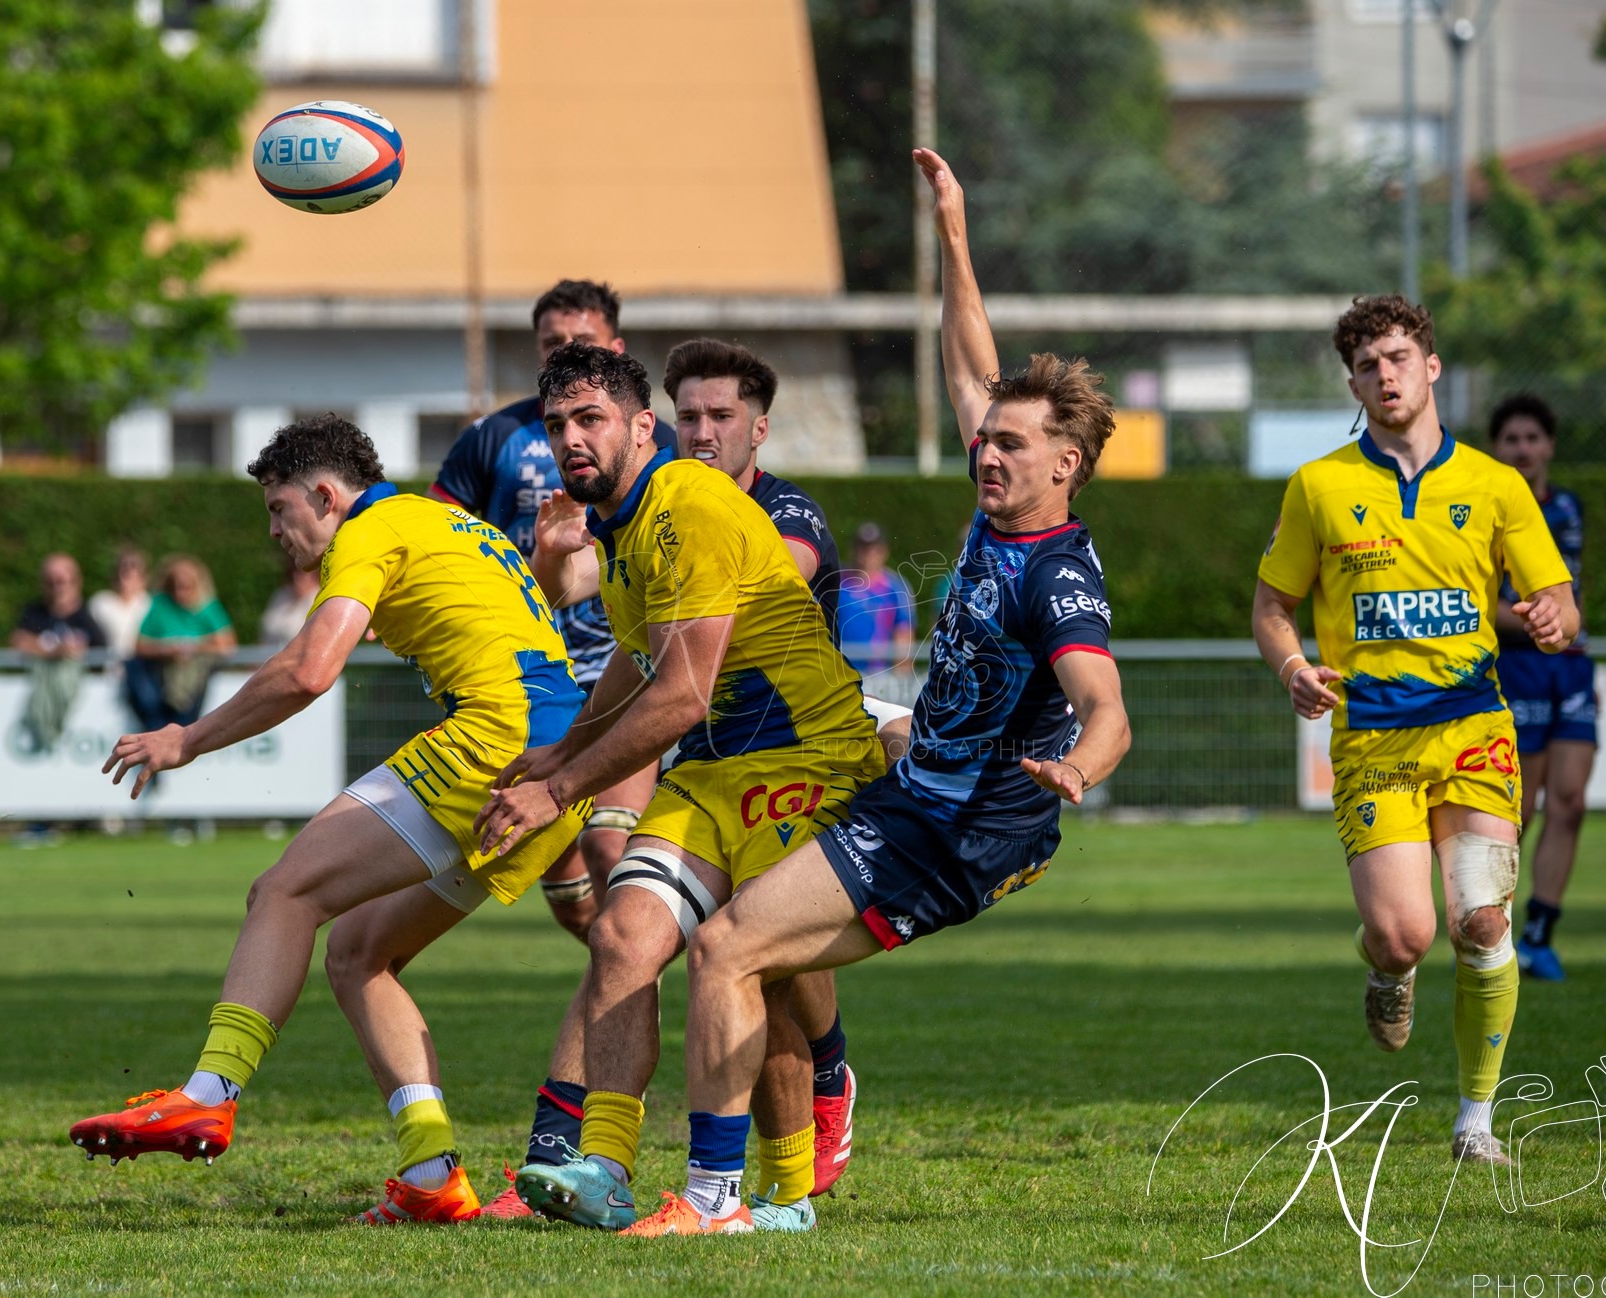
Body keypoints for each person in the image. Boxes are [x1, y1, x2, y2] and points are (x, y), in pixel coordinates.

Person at [619, 147, 1130, 1237]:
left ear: (1066, 465)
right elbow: (971, 361)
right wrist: (952, 235)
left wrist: (1080, 767)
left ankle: (720, 1195)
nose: (986, 453)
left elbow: (1107, 707)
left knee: (729, 946)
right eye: (986, 440)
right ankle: (781, 1180)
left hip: (959, 830)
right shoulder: (1001, 510)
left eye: (1010, 445)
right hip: (924, 784)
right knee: (748, 936)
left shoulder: (1054, 578)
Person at [66, 415, 591, 1227]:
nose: (275, 532)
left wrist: (187, 739)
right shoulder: (447, 522)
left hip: (497, 745)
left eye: (279, 510)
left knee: (284, 892)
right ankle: (431, 1175)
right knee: (357, 954)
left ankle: (207, 1094)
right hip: (559, 767)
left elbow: (310, 670)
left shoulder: (370, 530)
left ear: (324, 495)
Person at [470, 341, 885, 1233]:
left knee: (758, 969)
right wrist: (567, 747)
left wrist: (561, 788)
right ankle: (604, 1169)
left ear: (640, 428)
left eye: (591, 420)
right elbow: (636, 659)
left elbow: (682, 692)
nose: (571, 439)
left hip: (801, 759)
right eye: (557, 425)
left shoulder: (687, 504)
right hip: (712, 773)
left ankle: (780, 1193)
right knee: (622, 936)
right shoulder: (620, 527)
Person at [1251, 296, 1577, 1165]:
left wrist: (1554, 618)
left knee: (1482, 922)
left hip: (1474, 728)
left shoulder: (1495, 484)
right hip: (1374, 740)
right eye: (1368, 366)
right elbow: (1272, 606)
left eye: (1398, 358)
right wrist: (1293, 667)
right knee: (1407, 934)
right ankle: (1386, 968)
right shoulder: (1319, 486)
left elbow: (1559, 598)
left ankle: (1476, 1122)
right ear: (1354, 385)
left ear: (1431, 367)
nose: (1385, 375)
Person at [429, 279, 676, 951]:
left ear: (615, 349)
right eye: (550, 342)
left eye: (581, 340)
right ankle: (630, 979)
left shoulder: (656, 443)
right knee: (571, 901)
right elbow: (439, 533)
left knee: (609, 847)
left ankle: (648, 975)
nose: (563, 350)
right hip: (530, 676)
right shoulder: (493, 436)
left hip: (623, 663)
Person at [1488, 394, 1594, 982]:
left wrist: (1567, 623)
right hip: (1518, 666)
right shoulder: (1487, 506)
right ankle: (1489, 931)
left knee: (1571, 801)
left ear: (1549, 445)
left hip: (1571, 666)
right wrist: (1534, 622)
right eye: (1511, 439)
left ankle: (1540, 934)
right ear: (1496, 448)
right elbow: (1480, 600)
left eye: (1532, 438)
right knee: (1518, 809)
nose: (1523, 448)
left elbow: (1571, 589)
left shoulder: (1568, 507)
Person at [126, 556, 236, 732]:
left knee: (183, 725)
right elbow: (139, 645)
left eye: (186, 587)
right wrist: (168, 649)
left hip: (193, 683)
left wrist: (194, 647)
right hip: (160, 682)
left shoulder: (208, 606)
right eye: (176, 587)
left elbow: (226, 645)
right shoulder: (160, 604)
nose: (180, 593)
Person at [10, 553, 106, 753]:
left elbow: (101, 654)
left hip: (80, 701)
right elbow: (18, 641)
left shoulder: (90, 614)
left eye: (61, 581)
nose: (56, 587)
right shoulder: (35, 612)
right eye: (50, 581)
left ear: (76, 581)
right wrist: (55, 651)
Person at [835, 522, 915, 677]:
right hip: (839, 672)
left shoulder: (895, 587)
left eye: (874, 549)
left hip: (878, 674)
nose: (868, 554)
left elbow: (904, 634)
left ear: (884, 552)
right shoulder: (836, 583)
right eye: (862, 548)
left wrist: (901, 677)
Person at [89, 548, 152, 667]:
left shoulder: (148, 603)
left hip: (141, 668)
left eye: (130, 575)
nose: (124, 580)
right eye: (122, 573)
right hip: (107, 667)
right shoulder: (100, 603)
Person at [258, 558, 321, 647]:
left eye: (303, 574)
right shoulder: (281, 595)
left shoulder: (319, 599)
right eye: (295, 573)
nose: (297, 579)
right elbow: (265, 633)